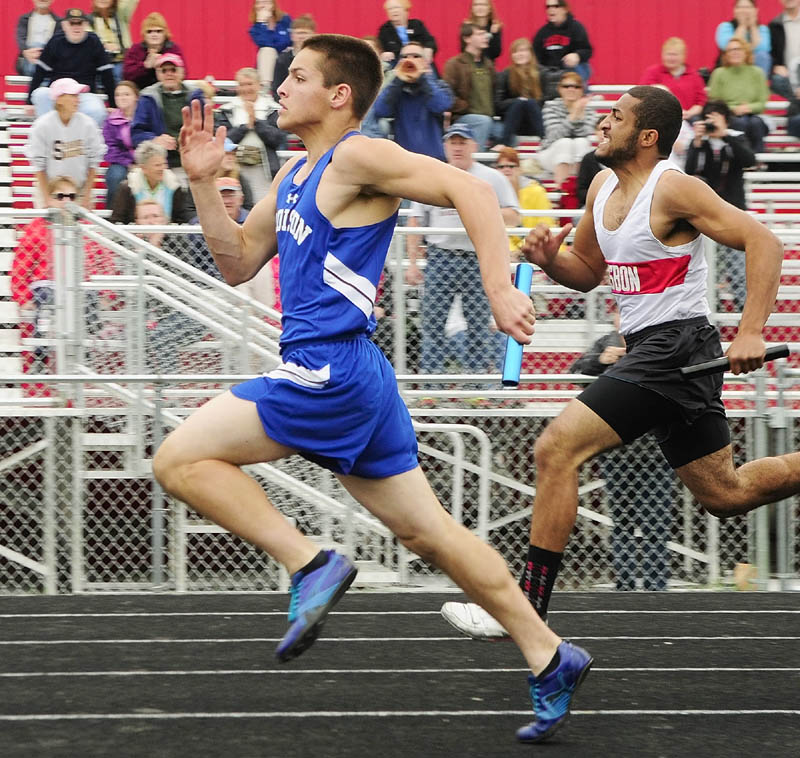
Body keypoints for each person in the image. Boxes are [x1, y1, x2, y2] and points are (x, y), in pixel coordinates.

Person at [162, 34, 588, 744]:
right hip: (353, 374)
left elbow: (470, 187)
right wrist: (204, 182)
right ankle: (550, 654)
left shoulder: (355, 156)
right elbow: (235, 260)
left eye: (297, 76)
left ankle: (312, 561)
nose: (281, 87)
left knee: (179, 460)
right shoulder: (296, 172)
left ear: (339, 95)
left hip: (327, 371)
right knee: (431, 535)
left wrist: (493, 284)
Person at [440, 86, 796, 656]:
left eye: (615, 117)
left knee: (556, 448)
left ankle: (525, 607)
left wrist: (750, 330)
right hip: (653, 352)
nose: (602, 124)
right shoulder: (603, 185)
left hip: (678, 348)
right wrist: (547, 258)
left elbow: (764, 242)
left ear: (647, 137)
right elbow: (585, 271)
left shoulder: (674, 187)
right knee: (725, 493)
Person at [570, 310, 676, 592]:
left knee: (656, 522)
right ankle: (625, 585)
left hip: (655, 452)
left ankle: (656, 586)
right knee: (623, 521)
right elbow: (574, 372)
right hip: (616, 451)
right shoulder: (606, 342)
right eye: (619, 312)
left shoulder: (659, 341)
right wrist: (601, 361)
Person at [406, 123, 520, 382]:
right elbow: (415, 220)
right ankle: (430, 388)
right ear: (445, 146)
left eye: (462, 142)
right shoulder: (432, 175)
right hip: (441, 256)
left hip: (476, 257)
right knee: (432, 323)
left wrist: (476, 210)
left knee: (478, 324)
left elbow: (513, 216)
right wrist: (412, 262)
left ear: (474, 146)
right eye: (453, 142)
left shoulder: (491, 178)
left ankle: (476, 386)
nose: (457, 148)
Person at [11, 175, 117, 388]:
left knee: (86, 296)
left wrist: (108, 294)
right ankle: (41, 355)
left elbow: (106, 263)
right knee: (48, 297)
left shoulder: (87, 228)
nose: (66, 201)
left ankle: (83, 354)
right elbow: (20, 268)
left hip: (79, 286)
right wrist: (23, 298)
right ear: (49, 199)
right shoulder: (36, 228)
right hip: (46, 284)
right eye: (60, 196)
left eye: (71, 196)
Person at [685, 100, 756, 311]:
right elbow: (690, 171)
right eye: (708, 117)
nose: (711, 122)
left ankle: (742, 305)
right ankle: (711, 305)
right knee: (707, 264)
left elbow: (749, 160)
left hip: (734, 211)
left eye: (716, 117)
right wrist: (697, 143)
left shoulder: (736, 138)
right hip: (707, 213)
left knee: (737, 262)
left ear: (726, 119)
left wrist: (725, 135)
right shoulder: (701, 143)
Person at [25, 78, 106, 210]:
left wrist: (87, 195)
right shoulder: (42, 125)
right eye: (73, 95)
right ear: (59, 99)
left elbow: (94, 162)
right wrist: (47, 199)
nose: (77, 99)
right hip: (50, 189)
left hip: (79, 191)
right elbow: (38, 165)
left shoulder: (88, 124)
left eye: (78, 95)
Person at [28, 8, 116, 127]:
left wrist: (113, 105)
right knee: (39, 94)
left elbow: (107, 75)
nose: (76, 27)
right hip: (57, 94)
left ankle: (82, 141)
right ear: (64, 25)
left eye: (79, 23)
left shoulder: (94, 42)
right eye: (72, 23)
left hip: (83, 95)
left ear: (86, 25)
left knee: (98, 111)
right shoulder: (55, 41)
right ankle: (50, 132)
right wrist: (28, 102)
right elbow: (39, 72)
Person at [372, 40, 454, 160]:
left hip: (434, 159)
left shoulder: (440, 85)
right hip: (405, 160)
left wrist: (422, 78)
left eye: (416, 56)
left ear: (426, 62)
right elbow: (380, 110)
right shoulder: (396, 90)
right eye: (405, 57)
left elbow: (441, 105)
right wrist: (398, 80)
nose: (410, 60)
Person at [131, 53, 205, 181]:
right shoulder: (147, 98)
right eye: (164, 70)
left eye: (173, 70)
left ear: (182, 72)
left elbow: (206, 128)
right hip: (160, 163)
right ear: (158, 74)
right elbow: (136, 134)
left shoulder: (195, 97)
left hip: (191, 160)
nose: (169, 74)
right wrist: (155, 139)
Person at [216, 67, 285, 203]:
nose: (246, 89)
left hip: (264, 171)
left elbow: (277, 139)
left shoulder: (273, 109)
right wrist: (246, 126)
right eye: (242, 84)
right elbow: (223, 141)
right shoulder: (227, 110)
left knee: (263, 209)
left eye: (249, 84)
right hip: (234, 170)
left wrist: (257, 123)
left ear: (259, 85)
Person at [708, 39, 771, 153]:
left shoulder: (757, 73)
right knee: (740, 123)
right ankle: (740, 160)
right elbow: (714, 102)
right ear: (725, 55)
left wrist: (748, 108)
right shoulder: (719, 73)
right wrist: (733, 109)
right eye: (731, 50)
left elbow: (762, 102)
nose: (735, 52)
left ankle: (757, 160)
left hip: (752, 114)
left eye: (738, 49)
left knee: (756, 123)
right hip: (727, 116)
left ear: (746, 52)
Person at [443, 23, 499, 150]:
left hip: (489, 119)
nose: (485, 37)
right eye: (479, 34)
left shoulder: (488, 65)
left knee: (508, 134)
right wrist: (464, 106)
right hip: (463, 118)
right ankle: (475, 162)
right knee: (483, 122)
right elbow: (446, 95)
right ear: (467, 38)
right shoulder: (454, 64)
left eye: (485, 34)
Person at [110, 140, 193, 224]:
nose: (162, 168)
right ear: (143, 168)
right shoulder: (127, 188)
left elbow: (180, 220)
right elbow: (117, 221)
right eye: (157, 165)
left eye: (164, 164)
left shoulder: (175, 186)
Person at [536, 71, 596, 187]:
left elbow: (585, 134)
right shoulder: (550, 107)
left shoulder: (589, 111)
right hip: (550, 154)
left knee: (581, 142)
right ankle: (561, 189)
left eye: (576, 86)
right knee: (565, 143)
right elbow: (554, 135)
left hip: (577, 156)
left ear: (581, 90)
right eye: (566, 86)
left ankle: (579, 189)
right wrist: (574, 115)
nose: (571, 89)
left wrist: (579, 112)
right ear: (559, 89)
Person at [533, 0, 593, 98]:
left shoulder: (576, 27)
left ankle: (583, 95)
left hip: (570, 68)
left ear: (565, 9)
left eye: (555, 6)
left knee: (578, 66)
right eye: (548, 7)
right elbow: (536, 57)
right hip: (551, 72)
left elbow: (587, 50)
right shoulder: (542, 33)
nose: (550, 9)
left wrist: (577, 55)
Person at [639, 37, 707, 123]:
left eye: (675, 55)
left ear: (683, 56)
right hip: (660, 118)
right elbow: (643, 94)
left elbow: (700, 101)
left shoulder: (694, 75)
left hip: (689, 119)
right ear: (662, 55)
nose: (671, 58)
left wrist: (689, 113)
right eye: (668, 54)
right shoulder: (653, 72)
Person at [494, 38, 544, 149]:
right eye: (516, 51)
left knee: (530, 103)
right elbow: (498, 105)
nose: (519, 54)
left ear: (531, 53)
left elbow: (546, 100)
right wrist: (518, 101)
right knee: (519, 103)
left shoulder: (542, 73)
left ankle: (545, 140)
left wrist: (528, 102)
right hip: (514, 122)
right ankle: (504, 143)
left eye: (523, 50)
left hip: (536, 120)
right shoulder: (505, 75)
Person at [122, 12, 186, 91]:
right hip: (141, 91)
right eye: (149, 31)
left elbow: (183, 73)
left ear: (165, 33)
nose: (154, 34)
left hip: (169, 91)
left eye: (158, 31)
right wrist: (145, 66)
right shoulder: (136, 49)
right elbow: (127, 76)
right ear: (144, 34)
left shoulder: (173, 49)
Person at [102, 79, 139, 208]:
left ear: (136, 97)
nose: (121, 98)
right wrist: (129, 164)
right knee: (115, 176)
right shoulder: (110, 121)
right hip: (121, 163)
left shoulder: (145, 117)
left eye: (126, 94)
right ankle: (113, 216)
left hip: (145, 160)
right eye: (118, 95)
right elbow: (111, 149)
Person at [716, 0, 772, 77]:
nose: (744, 11)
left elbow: (763, 49)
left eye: (748, 7)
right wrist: (742, 25)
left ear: (756, 10)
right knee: (735, 53)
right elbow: (728, 47)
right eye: (740, 7)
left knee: (762, 56)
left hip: (754, 71)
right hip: (730, 69)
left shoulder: (762, 29)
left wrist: (753, 27)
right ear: (734, 11)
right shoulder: (726, 27)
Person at [89, 0, 140, 83]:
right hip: (99, 64)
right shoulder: (88, 20)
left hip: (121, 61)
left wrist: (118, 47)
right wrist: (104, 46)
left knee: (119, 74)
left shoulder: (121, 16)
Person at [249, 0, 292, 95]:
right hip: (269, 63)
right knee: (266, 51)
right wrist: (262, 24)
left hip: (286, 59)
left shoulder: (285, 20)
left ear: (273, 5)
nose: (262, 6)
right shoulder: (255, 29)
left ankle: (266, 90)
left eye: (266, 2)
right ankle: (266, 90)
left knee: (269, 50)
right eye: (259, 3)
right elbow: (266, 43)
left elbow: (284, 42)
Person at [377, 1, 437, 69]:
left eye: (396, 7)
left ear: (406, 10)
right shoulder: (384, 29)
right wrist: (383, 54)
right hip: (397, 65)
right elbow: (379, 49)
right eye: (390, 9)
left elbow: (430, 41)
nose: (393, 11)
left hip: (421, 63)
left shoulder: (417, 24)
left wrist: (429, 48)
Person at [273, 14, 317, 101]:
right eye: (298, 33)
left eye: (305, 33)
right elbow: (276, 89)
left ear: (313, 35)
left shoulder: (320, 58)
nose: (301, 37)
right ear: (292, 36)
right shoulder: (282, 60)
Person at [15, 0, 59, 78]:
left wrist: (44, 52)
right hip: (28, 58)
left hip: (49, 58)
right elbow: (21, 38)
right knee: (35, 45)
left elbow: (58, 44)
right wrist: (26, 52)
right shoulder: (25, 19)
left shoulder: (58, 21)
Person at [768, 0, 800, 100]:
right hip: (788, 76)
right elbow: (772, 53)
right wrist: (776, 66)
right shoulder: (774, 25)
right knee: (777, 80)